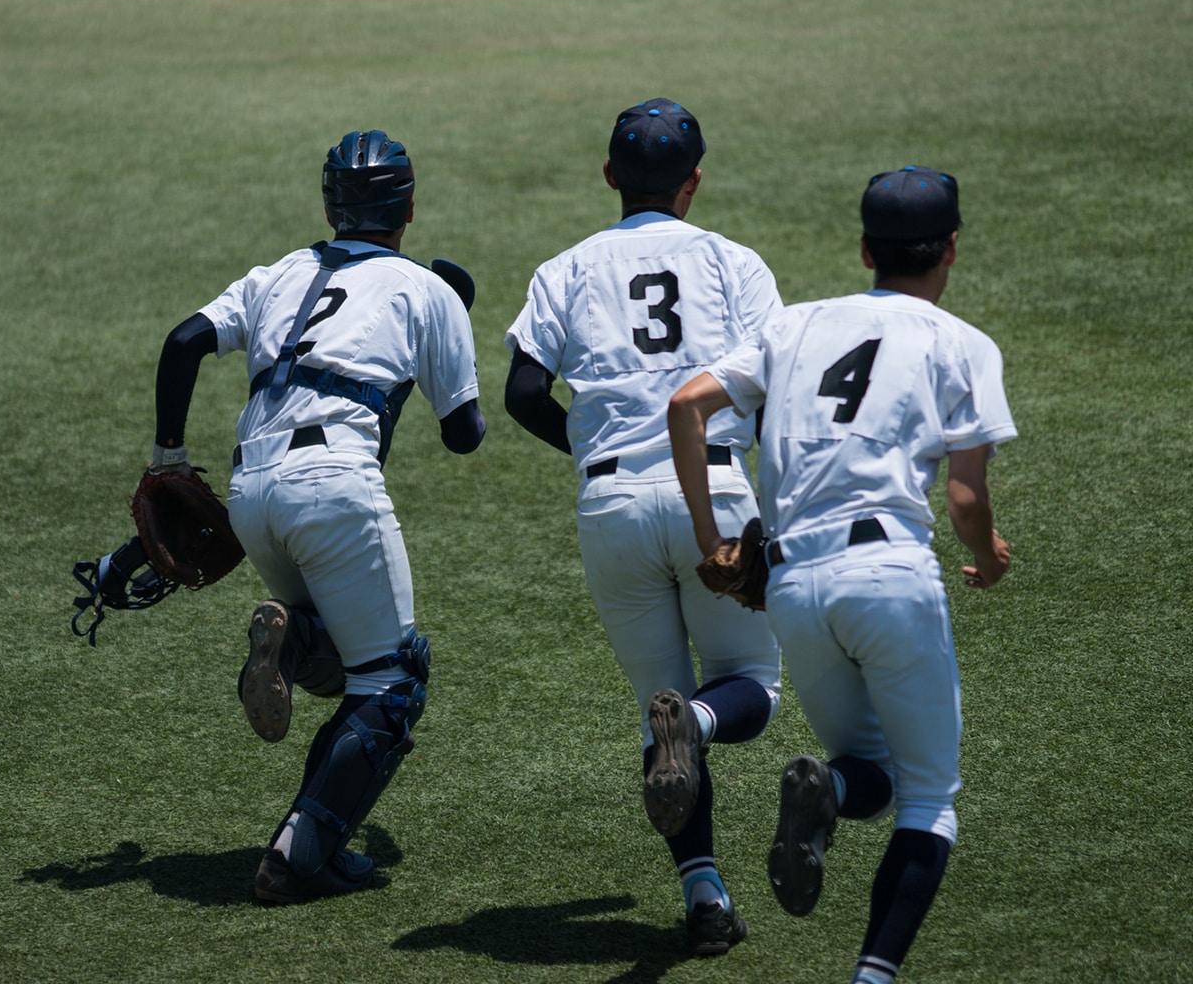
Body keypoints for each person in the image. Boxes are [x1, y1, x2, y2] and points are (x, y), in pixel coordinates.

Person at [668, 167, 1015, 984]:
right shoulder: (964, 342)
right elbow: (964, 496)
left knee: (874, 772)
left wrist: (714, 537)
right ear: (953, 248)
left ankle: (827, 784)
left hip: (790, 584)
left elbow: (687, 403)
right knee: (929, 801)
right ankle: (872, 975)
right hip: (888, 572)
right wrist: (992, 556)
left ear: (865, 248)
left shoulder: (793, 326)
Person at [151, 130, 484, 903]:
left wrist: (169, 458)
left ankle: (294, 639)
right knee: (394, 684)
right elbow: (464, 437)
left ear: (331, 204)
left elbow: (183, 342)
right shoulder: (424, 289)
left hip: (251, 493)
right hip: (333, 482)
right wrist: (449, 316)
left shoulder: (280, 273)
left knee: (343, 660)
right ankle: (295, 858)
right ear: (408, 205)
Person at [503, 98, 782, 957]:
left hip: (611, 506)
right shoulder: (736, 265)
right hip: (717, 494)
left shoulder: (566, 268)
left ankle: (704, 896)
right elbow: (779, 391)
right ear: (694, 182)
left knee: (656, 698)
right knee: (749, 689)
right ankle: (693, 729)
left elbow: (521, 394)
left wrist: (592, 453)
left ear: (610, 176)